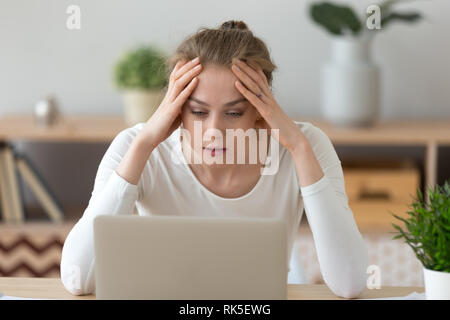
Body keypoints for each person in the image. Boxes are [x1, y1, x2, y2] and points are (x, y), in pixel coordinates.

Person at [60, 20, 369, 298]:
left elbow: (350, 283)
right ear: (176, 107)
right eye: (197, 111)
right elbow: (78, 280)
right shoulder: (135, 146)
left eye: (234, 113)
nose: (214, 131)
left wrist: (300, 149)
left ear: (262, 110)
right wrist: (144, 144)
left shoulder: (306, 145)